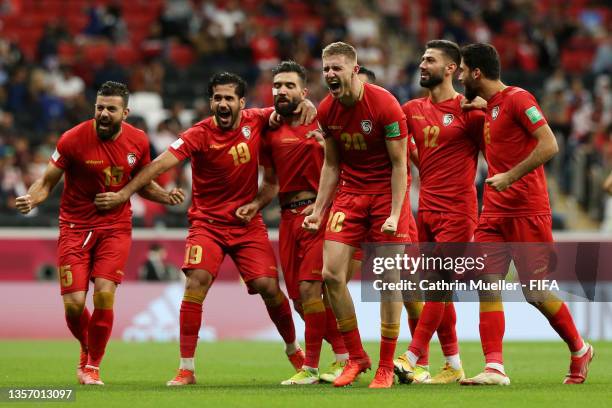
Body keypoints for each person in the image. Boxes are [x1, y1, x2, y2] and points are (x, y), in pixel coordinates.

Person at [94, 72, 316, 386]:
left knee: (268, 287)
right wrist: (124, 193)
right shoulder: (198, 134)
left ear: (241, 102)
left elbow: (287, 104)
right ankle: (186, 368)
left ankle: (294, 350)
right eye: (217, 98)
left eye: (228, 98)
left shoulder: (257, 120)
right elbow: (159, 164)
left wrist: (307, 102)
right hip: (207, 225)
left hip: (246, 225)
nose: (222, 104)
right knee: (195, 283)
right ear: (211, 101)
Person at [15, 81, 185, 385]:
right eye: (99, 107)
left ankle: (92, 365)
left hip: (115, 227)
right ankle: (86, 345)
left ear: (125, 112)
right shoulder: (72, 139)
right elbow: (46, 181)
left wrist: (165, 196)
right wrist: (32, 198)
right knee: (74, 305)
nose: (103, 113)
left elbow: (143, 182)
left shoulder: (138, 141)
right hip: (74, 226)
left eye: (111, 109)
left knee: (105, 294)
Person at [458, 43, 593, 385]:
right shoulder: (491, 106)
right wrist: (479, 105)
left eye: (461, 69)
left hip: (527, 209)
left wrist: (511, 175)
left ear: (477, 72)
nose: (458, 76)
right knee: (487, 284)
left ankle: (579, 349)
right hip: (493, 212)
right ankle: (494, 367)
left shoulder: (519, 99)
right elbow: (494, 112)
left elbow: (550, 144)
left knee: (535, 291)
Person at [303, 42, 411, 388]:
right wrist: (319, 210)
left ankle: (384, 364)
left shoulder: (385, 104)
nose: (330, 74)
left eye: (336, 68)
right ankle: (357, 356)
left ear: (355, 69)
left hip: (385, 195)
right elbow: (332, 164)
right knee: (330, 275)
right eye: (326, 69)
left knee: (388, 280)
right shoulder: (326, 110)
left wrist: (395, 213)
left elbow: (400, 166)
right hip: (350, 195)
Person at [237, 60, 348, 385]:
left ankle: (311, 368)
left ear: (304, 91)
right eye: (277, 86)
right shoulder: (270, 131)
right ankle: (346, 357)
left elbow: (346, 167)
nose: (282, 91)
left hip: (320, 214)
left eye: (289, 86)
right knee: (300, 301)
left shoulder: (326, 119)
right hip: (287, 219)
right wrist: (255, 204)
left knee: (309, 289)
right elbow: (270, 182)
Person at [392, 39, 485, 384]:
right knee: (434, 288)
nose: (421, 64)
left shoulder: (470, 110)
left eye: (429, 60)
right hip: (426, 210)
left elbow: (500, 150)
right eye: (421, 58)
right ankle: (453, 364)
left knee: (439, 287)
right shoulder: (410, 108)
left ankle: (412, 355)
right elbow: (399, 150)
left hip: (459, 211)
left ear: (450, 68)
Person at [355, 65, 428, 382]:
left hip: (393, 215)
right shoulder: (343, 124)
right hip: (355, 212)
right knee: (330, 279)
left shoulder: (389, 119)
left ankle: (418, 359)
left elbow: (418, 160)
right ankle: (346, 357)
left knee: (407, 290)